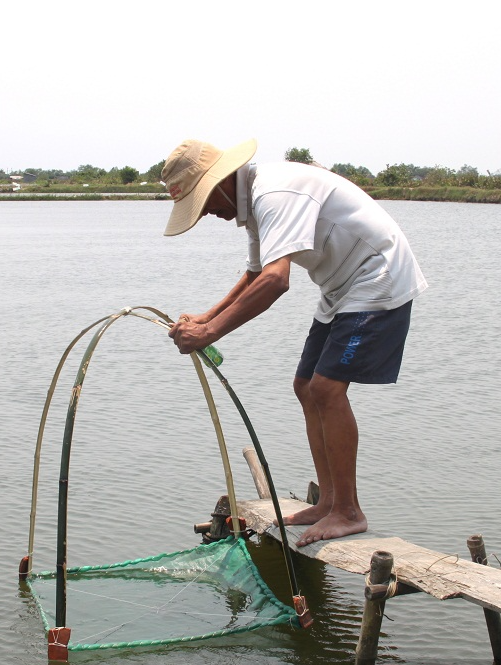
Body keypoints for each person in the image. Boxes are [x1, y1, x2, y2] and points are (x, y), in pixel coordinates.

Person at [162, 139, 428, 546]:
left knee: (327, 388)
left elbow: (276, 280)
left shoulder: (273, 194)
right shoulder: (253, 203)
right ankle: (328, 502)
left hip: (378, 276)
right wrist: (207, 316)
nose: (209, 214)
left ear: (219, 183)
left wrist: (210, 333)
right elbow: (256, 273)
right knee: (305, 387)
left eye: (204, 203)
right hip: (341, 287)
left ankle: (349, 511)